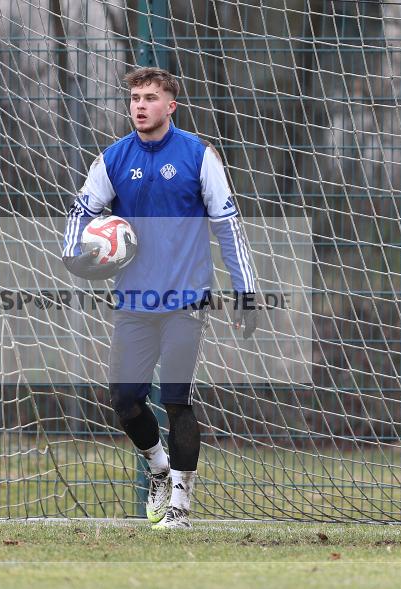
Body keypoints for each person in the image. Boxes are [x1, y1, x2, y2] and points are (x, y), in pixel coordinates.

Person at [62, 67, 258, 529]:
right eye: (134, 97)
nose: (140, 105)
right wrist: (75, 257)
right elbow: (79, 214)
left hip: (186, 299)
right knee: (125, 399)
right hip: (134, 301)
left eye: (151, 97)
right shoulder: (112, 159)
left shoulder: (198, 155)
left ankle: (181, 505)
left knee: (176, 398)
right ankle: (158, 467)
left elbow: (228, 226)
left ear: (171, 105)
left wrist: (245, 289)